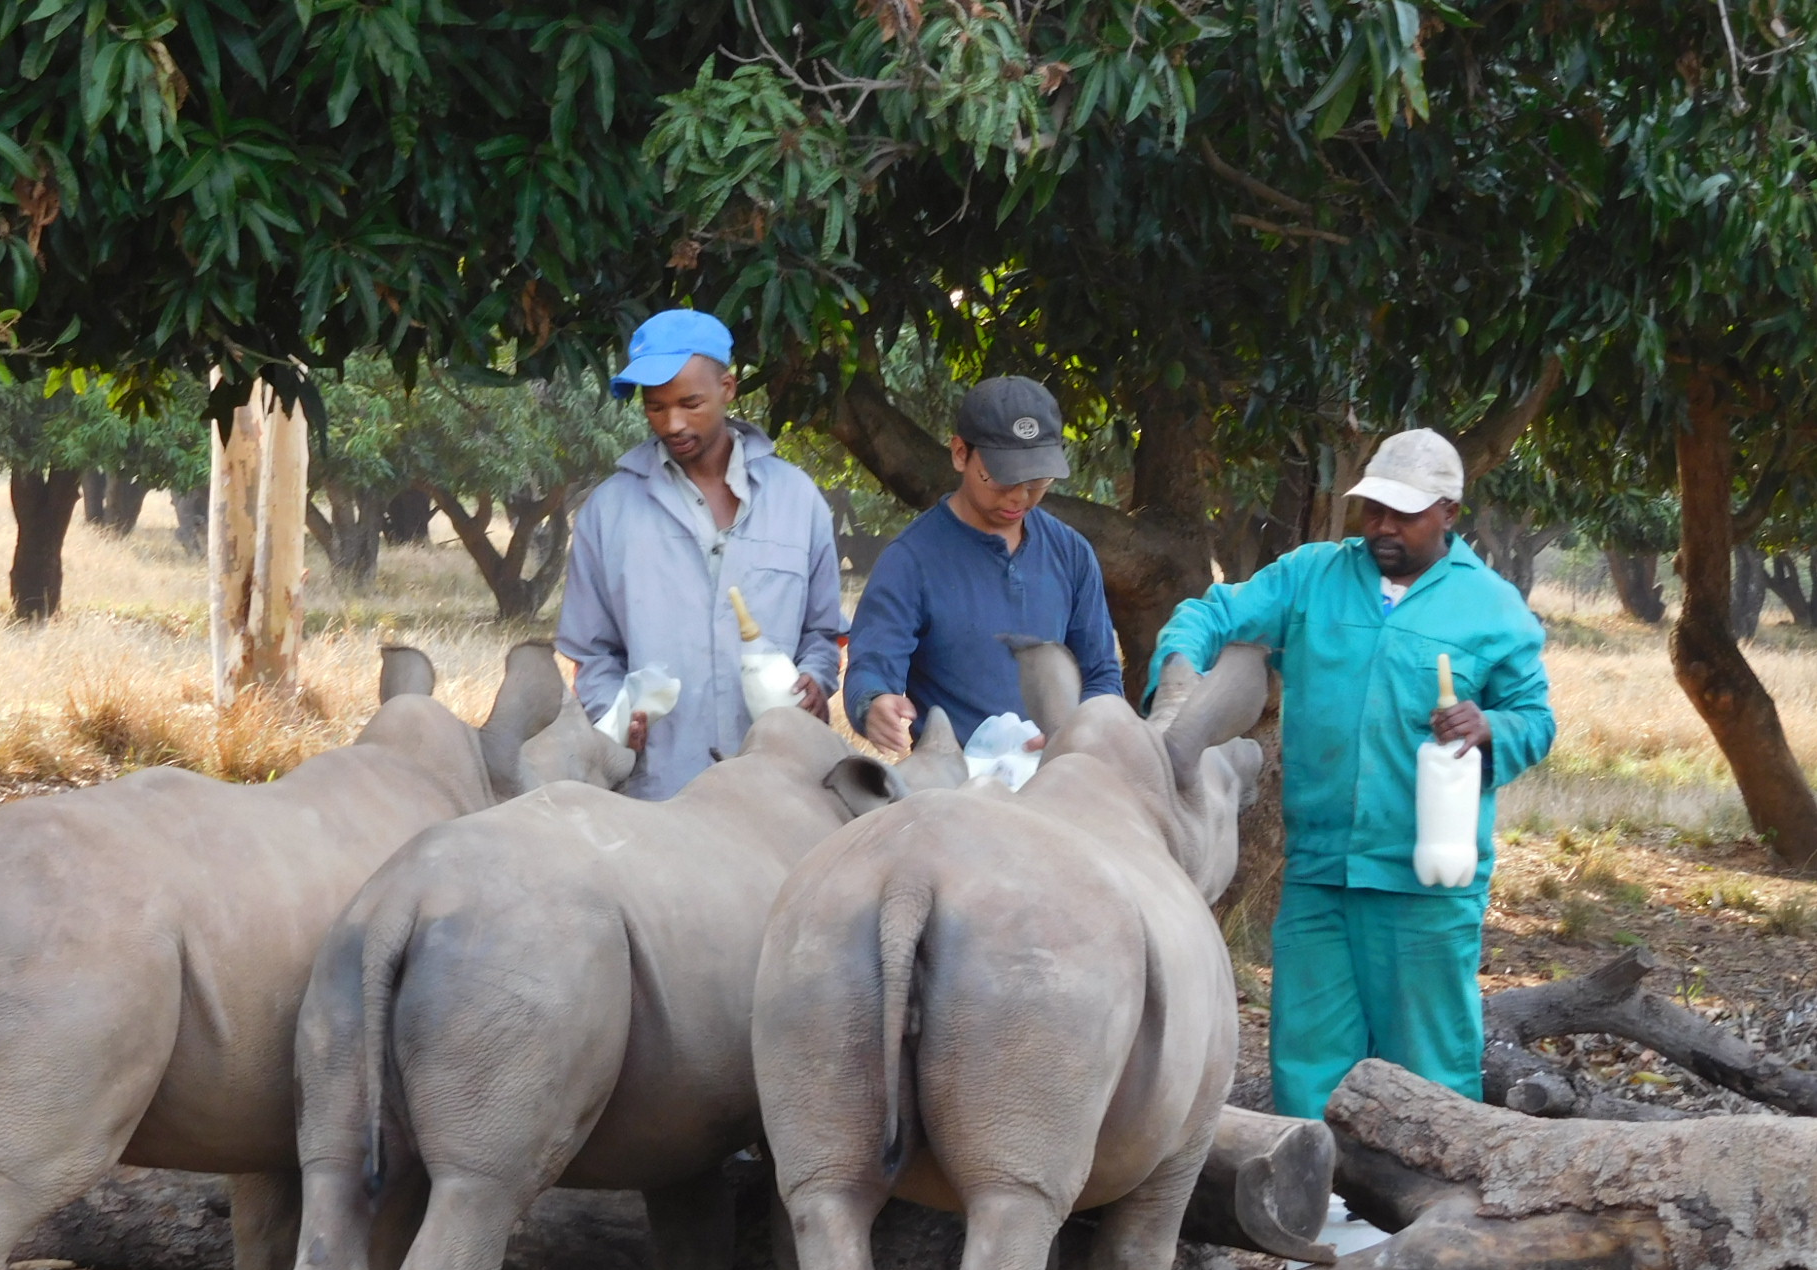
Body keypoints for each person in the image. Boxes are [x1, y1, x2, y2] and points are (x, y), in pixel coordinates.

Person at [1150, 428, 1555, 1120]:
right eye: (1374, 510)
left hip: (1425, 880)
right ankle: (1321, 1212)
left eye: (1404, 514)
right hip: (1319, 873)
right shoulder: (1314, 576)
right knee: (1309, 1057)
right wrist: (1178, 684)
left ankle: (1429, 1210)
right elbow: (1211, 613)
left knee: (1430, 1065)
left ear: (1450, 513)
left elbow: (1536, 717)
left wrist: (1494, 729)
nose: (1383, 527)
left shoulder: (1491, 607)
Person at [557, 308, 841, 801]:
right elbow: (591, 649)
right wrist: (614, 714)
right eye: (655, 407)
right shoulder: (610, 511)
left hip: (780, 792)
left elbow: (821, 632)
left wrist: (814, 681)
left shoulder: (797, 500)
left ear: (728, 387)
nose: (673, 423)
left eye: (691, 402)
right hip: (656, 795)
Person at [842, 376, 1123, 754]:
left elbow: (1101, 675)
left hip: (1058, 781)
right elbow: (872, 665)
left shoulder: (1071, 553)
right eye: (1000, 477)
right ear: (960, 454)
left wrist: (1083, 732)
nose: (1019, 495)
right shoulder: (911, 560)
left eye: (1037, 480)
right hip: (955, 788)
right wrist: (872, 704)